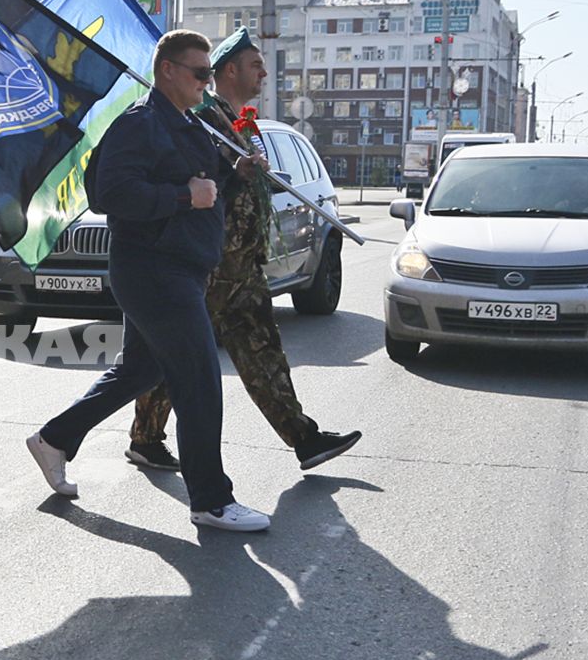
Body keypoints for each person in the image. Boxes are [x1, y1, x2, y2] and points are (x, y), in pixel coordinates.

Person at [25, 30, 272, 533]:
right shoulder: (139, 125)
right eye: (201, 73)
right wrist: (185, 197)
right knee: (200, 379)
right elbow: (109, 192)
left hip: (178, 266)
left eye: (209, 73)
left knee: (140, 370)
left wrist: (234, 175)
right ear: (168, 72)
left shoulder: (184, 123)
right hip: (155, 270)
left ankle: (54, 439)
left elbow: (203, 184)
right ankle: (211, 500)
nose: (208, 82)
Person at [125, 29, 361, 473]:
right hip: (210, 261)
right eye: (256, 65)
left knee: (261, 347)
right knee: (171, 357)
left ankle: (303, 438)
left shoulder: (240, 125)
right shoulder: (202, 119)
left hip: (240, 262)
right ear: (228, 70)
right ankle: (143, 438)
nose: (264, 73)